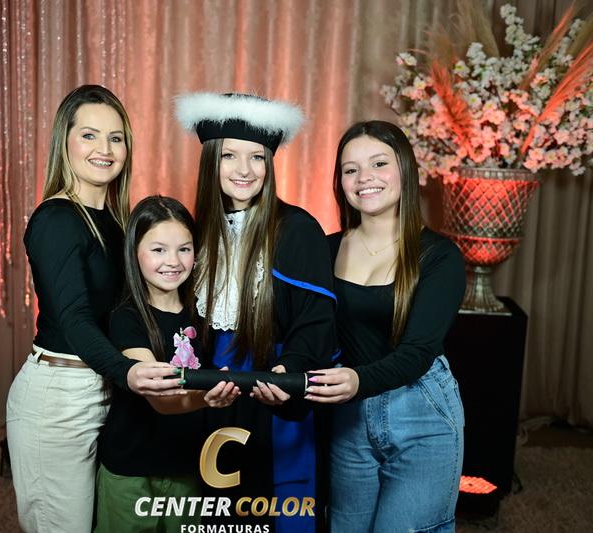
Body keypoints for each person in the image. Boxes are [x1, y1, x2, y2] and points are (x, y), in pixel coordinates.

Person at [5, 85, 182, 533]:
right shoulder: (56, 220)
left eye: (115, 138)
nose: (104, 149)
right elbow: (73, 319)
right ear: (64, 142)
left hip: (105, 389)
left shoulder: (119, 223)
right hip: (59, 396)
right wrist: (127, 371)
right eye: (89, 135)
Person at [175, 92, 339, 532]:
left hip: (274, 384)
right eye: (229, 155)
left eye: (257, 157)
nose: (244, 170)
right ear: (211, 161)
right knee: (219, 506)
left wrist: (289, 371)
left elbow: (317, 320)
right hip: (215, 389)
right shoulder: (194, 232)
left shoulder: (298, 229)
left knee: (279, 505)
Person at [304, 120, 466, 532]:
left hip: (422, 411)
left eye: (379, 163)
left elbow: (418, 353)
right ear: (340, 181)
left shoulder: (439, 256)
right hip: (349, 414)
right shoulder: (323, 250)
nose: (365, 178)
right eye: (351, 169)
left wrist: (357, 381)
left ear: (405, 170)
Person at [95, 195, 240, 533]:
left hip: (186, 466)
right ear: (134, 253)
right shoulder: (126, 317)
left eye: (184, 249)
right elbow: (160, 398)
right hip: (130, 469)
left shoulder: (205, 313)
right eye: (158, 250)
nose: (173, 261)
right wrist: (208, 397)